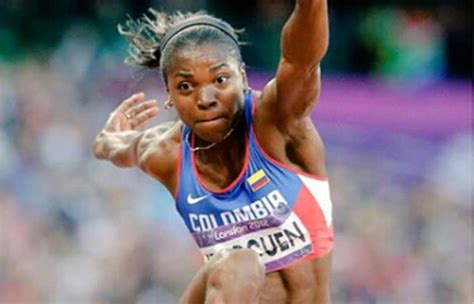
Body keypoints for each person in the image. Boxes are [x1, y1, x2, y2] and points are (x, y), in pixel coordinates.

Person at [93, 1, 333, 303]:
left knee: (240, 263)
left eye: (220, 80)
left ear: (242, 78)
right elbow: (112, 147)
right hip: (226, 289)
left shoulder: (277, 122)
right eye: (185, 87)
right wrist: (106, 137)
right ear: (169, 95)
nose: (205, 98)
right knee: (238, 265)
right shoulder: (166, 153)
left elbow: (302, 61)